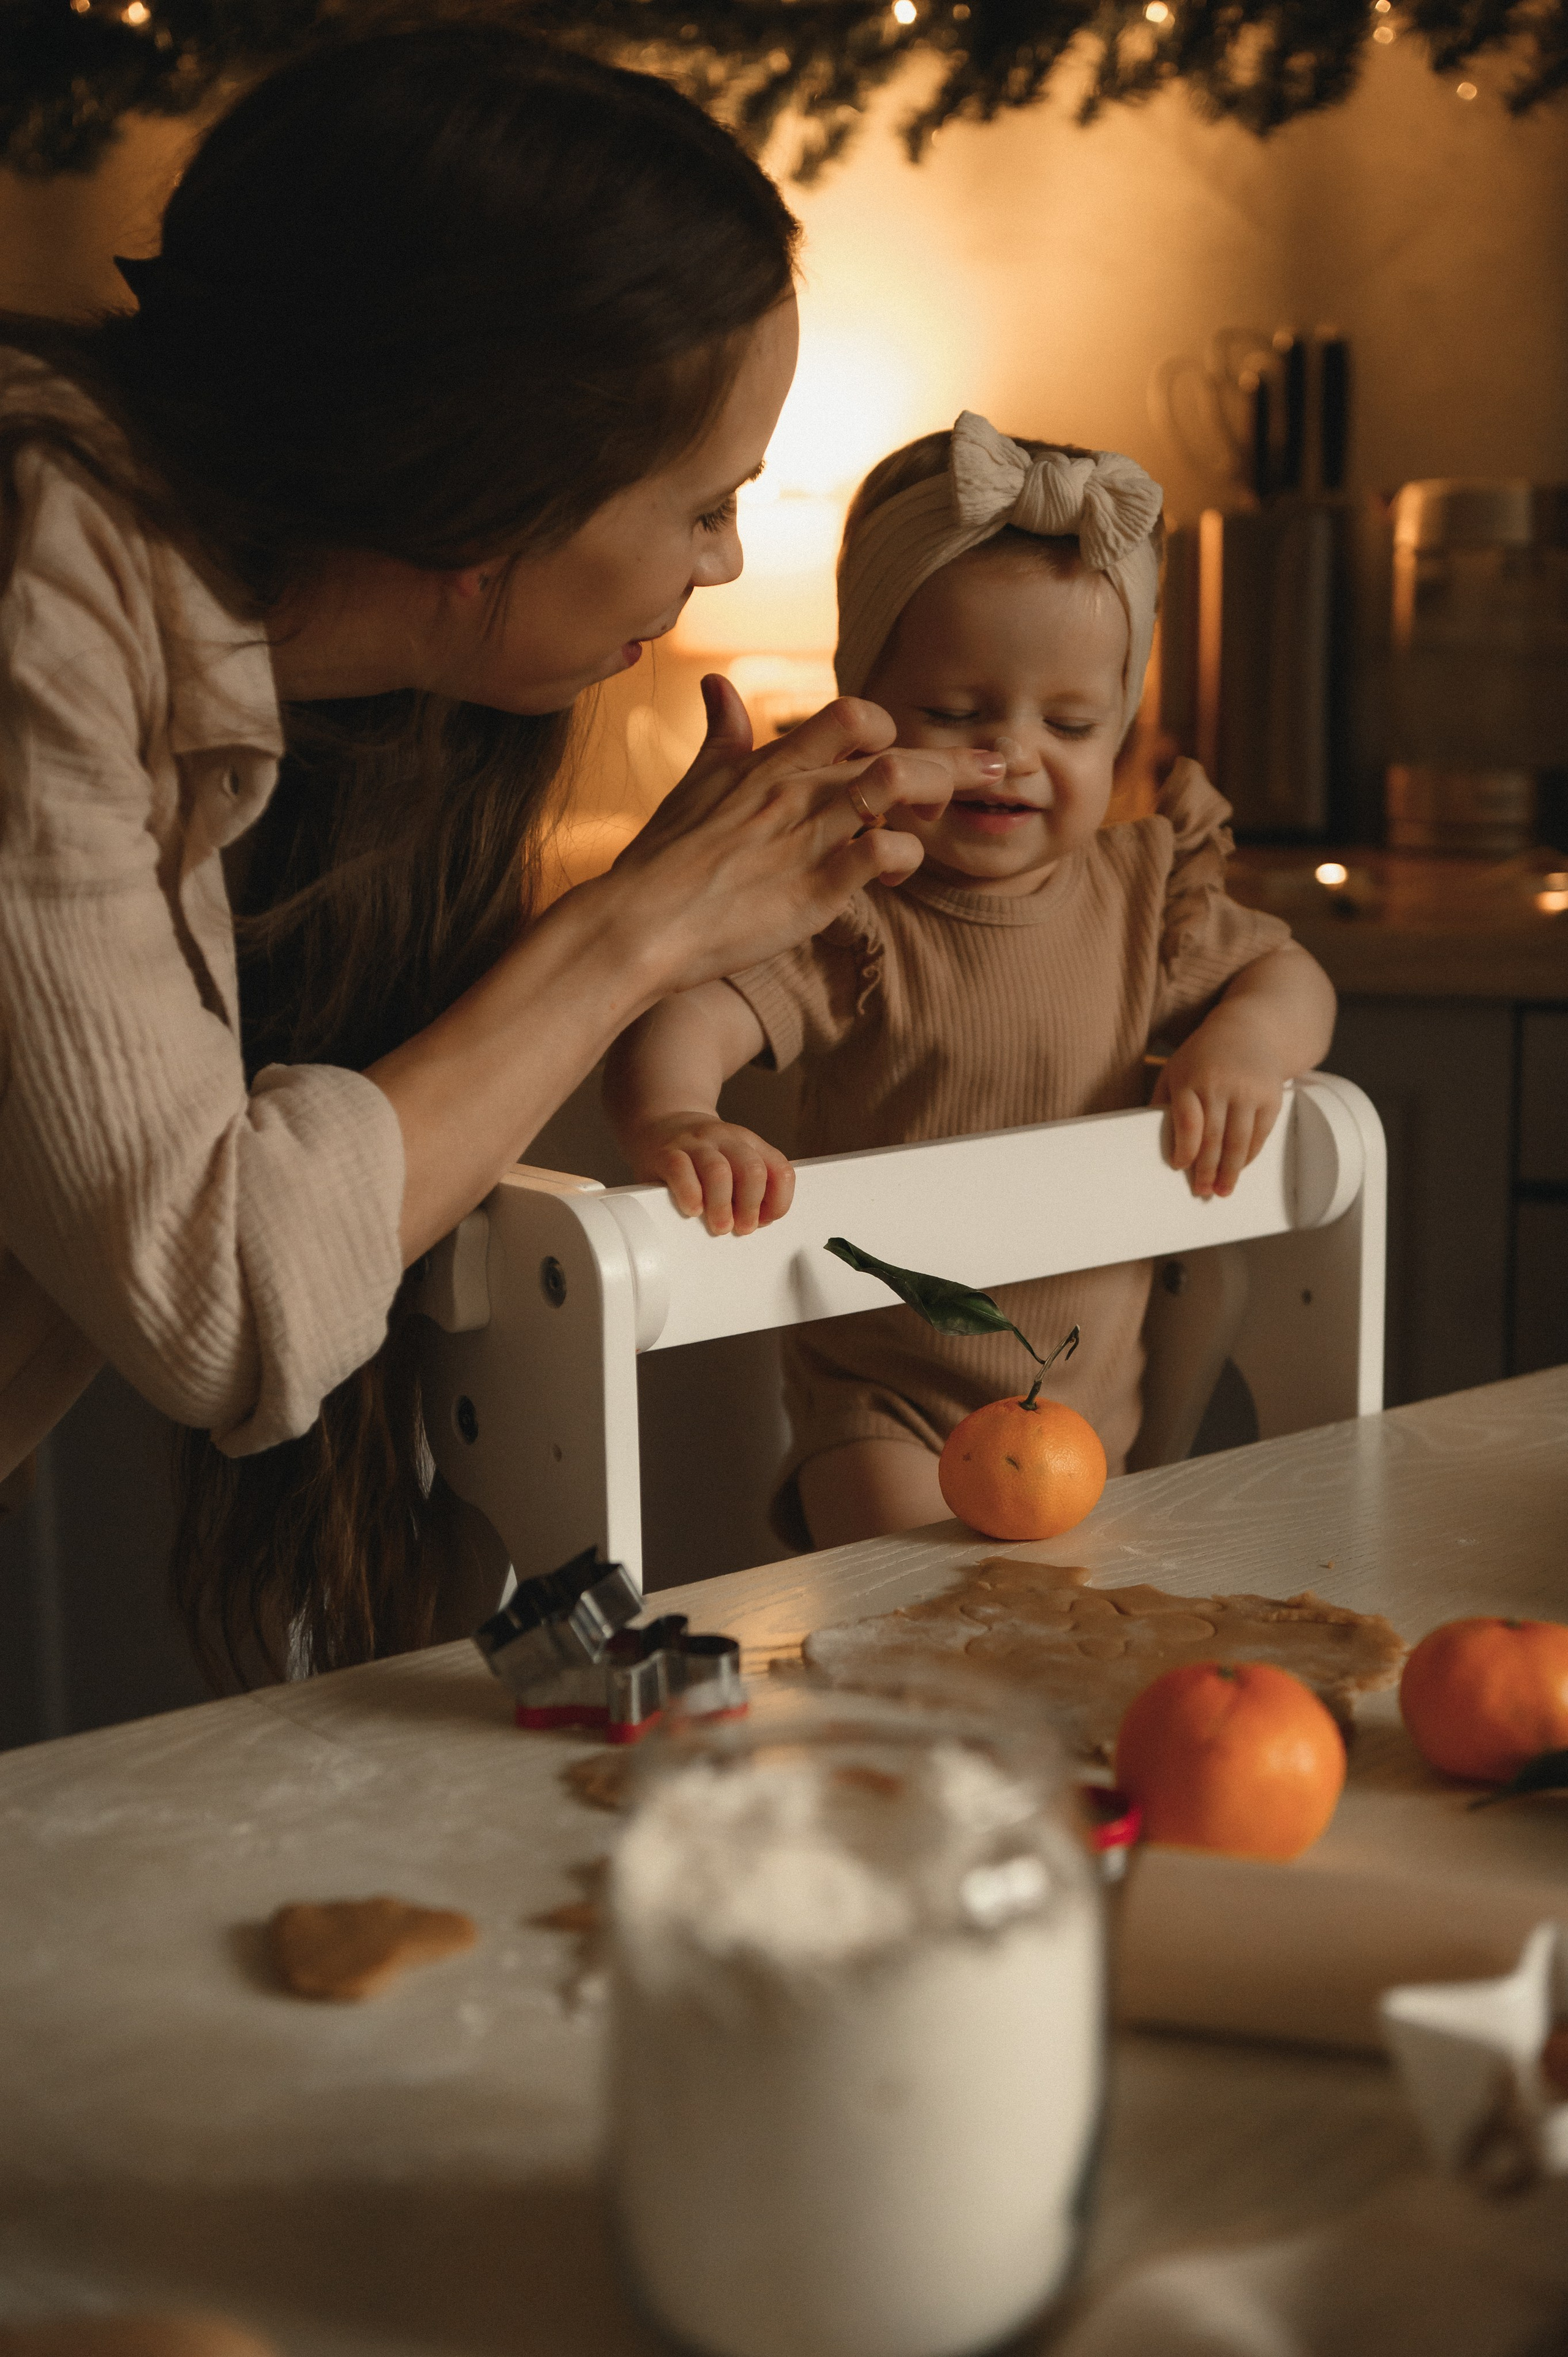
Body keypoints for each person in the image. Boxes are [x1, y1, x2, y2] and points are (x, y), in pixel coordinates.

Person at [0, 30, 1005, 1678]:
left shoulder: (294, 682)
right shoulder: (37, 586)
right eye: (705, 505)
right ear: (484, 501)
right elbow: (225, 1297)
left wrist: (645, 916)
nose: (722, 561)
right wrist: (635, 933)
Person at [606, 412, 1338, 1548]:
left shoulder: (1146, 900)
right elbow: (690, 1014)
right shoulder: (853, 902)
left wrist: (1245, 1042)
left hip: (1093, 1406)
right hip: (882, 1407)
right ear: (866, 705)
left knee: (1060, 1626)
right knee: (924, 1607)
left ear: (1120, 727)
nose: (1012, 753)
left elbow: (1294, 977)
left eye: (1072, 722)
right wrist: (675, 1114)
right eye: (956, 715)